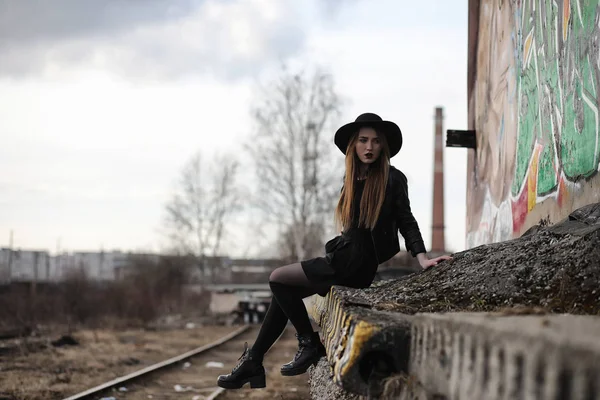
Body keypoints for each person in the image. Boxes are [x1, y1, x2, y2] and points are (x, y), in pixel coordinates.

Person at [216, 112, 452, 389]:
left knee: (277, 277)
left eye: (376, 141)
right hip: (345, 257)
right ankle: (253, 362)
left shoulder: (392, 178)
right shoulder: (352, 178)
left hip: (355, 262)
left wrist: (422, 257)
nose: (369, 147)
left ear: (383, 146)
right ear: (353, 145)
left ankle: (308, 343)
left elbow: (406, 219)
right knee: (283, 294)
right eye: (363, 140)